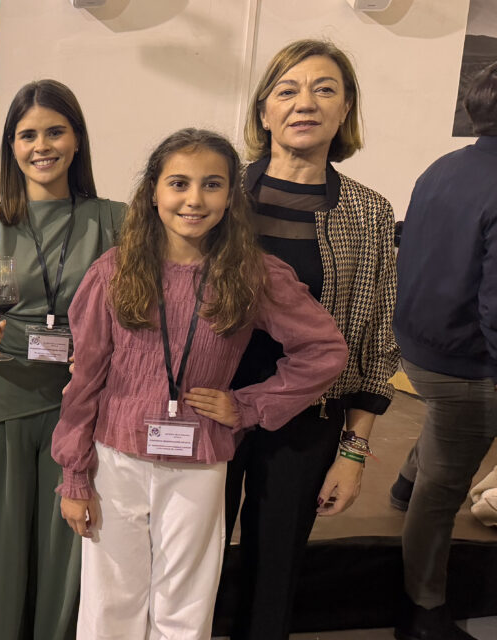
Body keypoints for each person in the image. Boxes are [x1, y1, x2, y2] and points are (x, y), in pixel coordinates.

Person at [52, 128, 348, 639]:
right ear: (153, 192)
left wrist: (250, 406)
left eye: (212, 184)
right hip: (116, 458)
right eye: (179, 183)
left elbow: (324, 350)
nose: (194, 199)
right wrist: (75, 475)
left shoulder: (251, 274)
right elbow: (85, 381)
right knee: (110, 601)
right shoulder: (115, 271)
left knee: (185, 605)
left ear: (231, 196)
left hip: (198, 462)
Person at [225, 39, 400, 639]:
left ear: (346, 108)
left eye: (325, 89)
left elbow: (377, 337)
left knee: (276, 575)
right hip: (208, 409)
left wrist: (353, 453)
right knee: (186, 562)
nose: (306, 103)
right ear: (264, 111)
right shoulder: (218, 198)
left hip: (307, 419)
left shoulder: (369, 212)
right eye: (288, 90)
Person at [0, 79, 123, 639]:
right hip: (3, 401)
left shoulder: (115, 221)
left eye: (55, 131)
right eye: (27, 134)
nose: (41, 145)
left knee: (68, 558)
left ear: (77, 140)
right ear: (11, 146)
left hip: (82, 409)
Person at [392, 60, 497, 640]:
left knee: (443, 426)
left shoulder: (444, 165)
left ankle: (405, 484)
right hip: (463, 365)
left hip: (414, 344)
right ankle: (422, 605)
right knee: (447, 489)